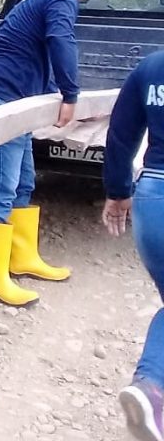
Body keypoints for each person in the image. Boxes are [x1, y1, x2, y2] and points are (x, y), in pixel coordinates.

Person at [0, 0, 95, 306]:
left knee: (21, 182)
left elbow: (41, 52)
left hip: (13, 99)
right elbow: (59, 41)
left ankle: (22, 259)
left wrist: (52, 92)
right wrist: (70, 93)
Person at [103, 50, 164, 441]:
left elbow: (121, 134)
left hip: (153, 199)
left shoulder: (152, 67)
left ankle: (152, 390)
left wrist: (118, 192)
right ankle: (152, 388)